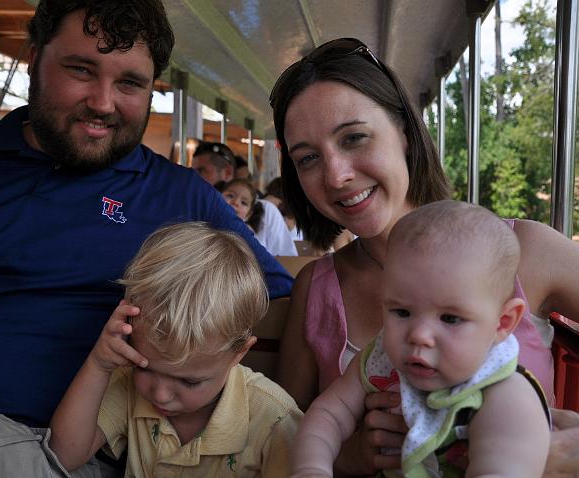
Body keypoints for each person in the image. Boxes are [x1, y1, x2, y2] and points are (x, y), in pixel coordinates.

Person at [0, 1, 292, 475]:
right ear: (34, 58)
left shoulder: (179, 199)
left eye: (130, 82)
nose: (103, 103)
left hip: (38, 443)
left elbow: (278, 298)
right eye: (81, 70)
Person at [269, 37, 579, 476]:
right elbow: (278, 431)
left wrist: (562, 449)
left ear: (405, 135)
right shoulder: (317, 289)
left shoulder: (525, 249)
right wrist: (356, 454)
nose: (337, 175)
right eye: (308, 158)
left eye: (354, 138)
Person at [291, 200, 551, 477]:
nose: (419, 335)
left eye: (450, 318)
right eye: (402, 311)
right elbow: (327, 415)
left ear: (503, 322)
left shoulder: (506, 395)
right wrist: (311, 467)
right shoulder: (379, 360)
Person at [49, 222, 302, 476]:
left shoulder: (273, 419)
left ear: (239, 353)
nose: (160, 394)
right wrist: (99, 363)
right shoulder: (127, 385)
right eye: (143, 367)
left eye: (189, 382)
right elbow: (64, 455)